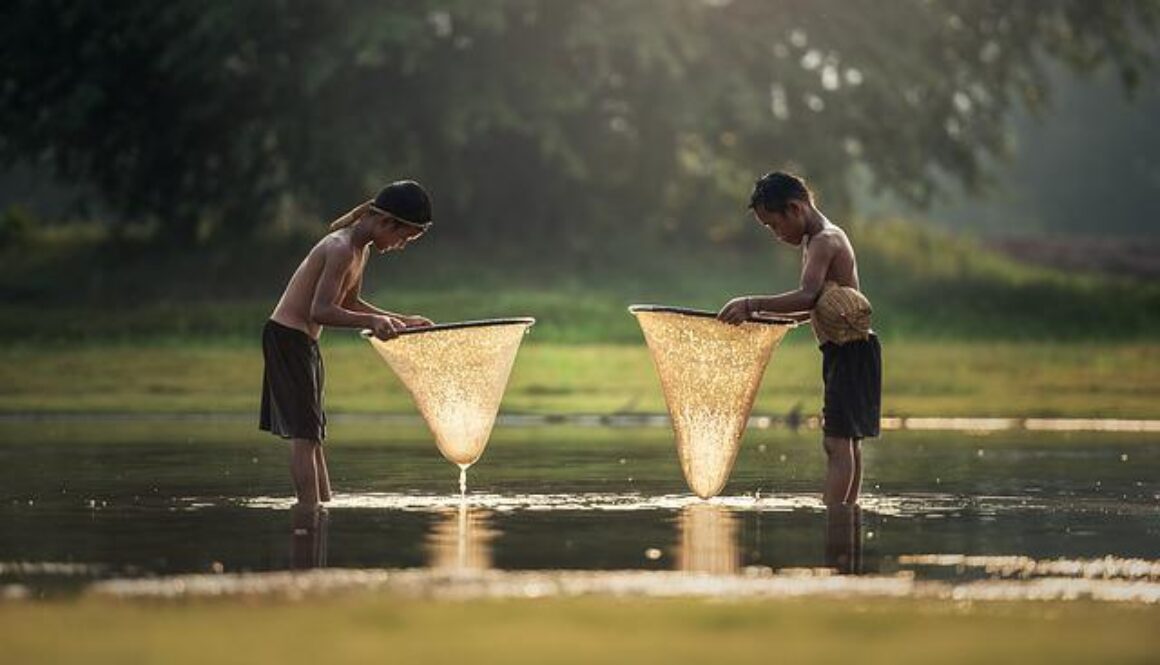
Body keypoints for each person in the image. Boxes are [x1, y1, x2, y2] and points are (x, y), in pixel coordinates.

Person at [260, 180, 435, 508]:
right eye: (403, 238)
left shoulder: (359, 250)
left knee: (314, 433)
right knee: (305, 436)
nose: (400, 245)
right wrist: (372, 323)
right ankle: (309, 513)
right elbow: (321, 310)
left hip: (304, 341)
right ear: (386, 222)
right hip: (287, 338)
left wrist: (402, 319)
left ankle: (323, 508)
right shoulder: (340, 248)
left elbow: (349, 303)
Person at [718, 171, 881, 506]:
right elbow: (815, 305)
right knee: (847, 441)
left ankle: (835, 517)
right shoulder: (816, 240)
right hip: (849, 350)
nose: (777, 235)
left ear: (795, 208)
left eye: (774, 225)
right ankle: (847, 517)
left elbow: (807, 296)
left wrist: (751, 304)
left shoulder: (825, 240)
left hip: (850, 350)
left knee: (837, 443)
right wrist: (765, 320)